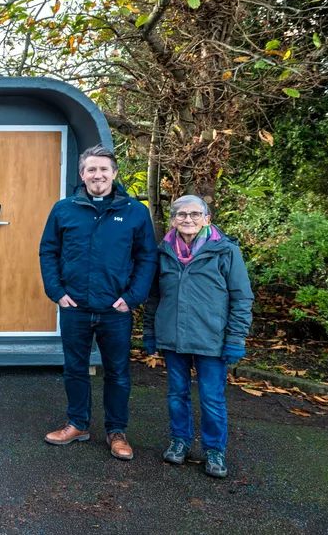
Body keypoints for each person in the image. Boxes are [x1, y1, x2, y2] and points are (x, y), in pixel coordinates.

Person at [39, 144, 157, 460]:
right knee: (75, 369)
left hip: (115, 309)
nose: (98, 175)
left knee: (117, 372)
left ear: (114, 173)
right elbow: (48, 251)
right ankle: (77, 424)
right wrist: (57, 292)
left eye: (104, 169)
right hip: (74, 306)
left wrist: (131, 298)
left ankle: (116, 432)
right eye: (91, 169)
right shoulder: (63, 210)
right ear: (82, 174)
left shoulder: (136, 212)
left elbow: (146, 258)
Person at [143, 195, 253, 478]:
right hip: (173, 337)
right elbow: (155, 297)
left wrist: (236, 339)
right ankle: (180, 441)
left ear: (207, 218)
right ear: (172, 219)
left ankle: (214, 450)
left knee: (211, 397)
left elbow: (241, 297)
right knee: (177, 394)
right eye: (181, 214)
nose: (187, 219)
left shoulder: (225, 251)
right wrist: (150, 333)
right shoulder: (163, 251)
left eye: (194, 214)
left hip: (212, 339)